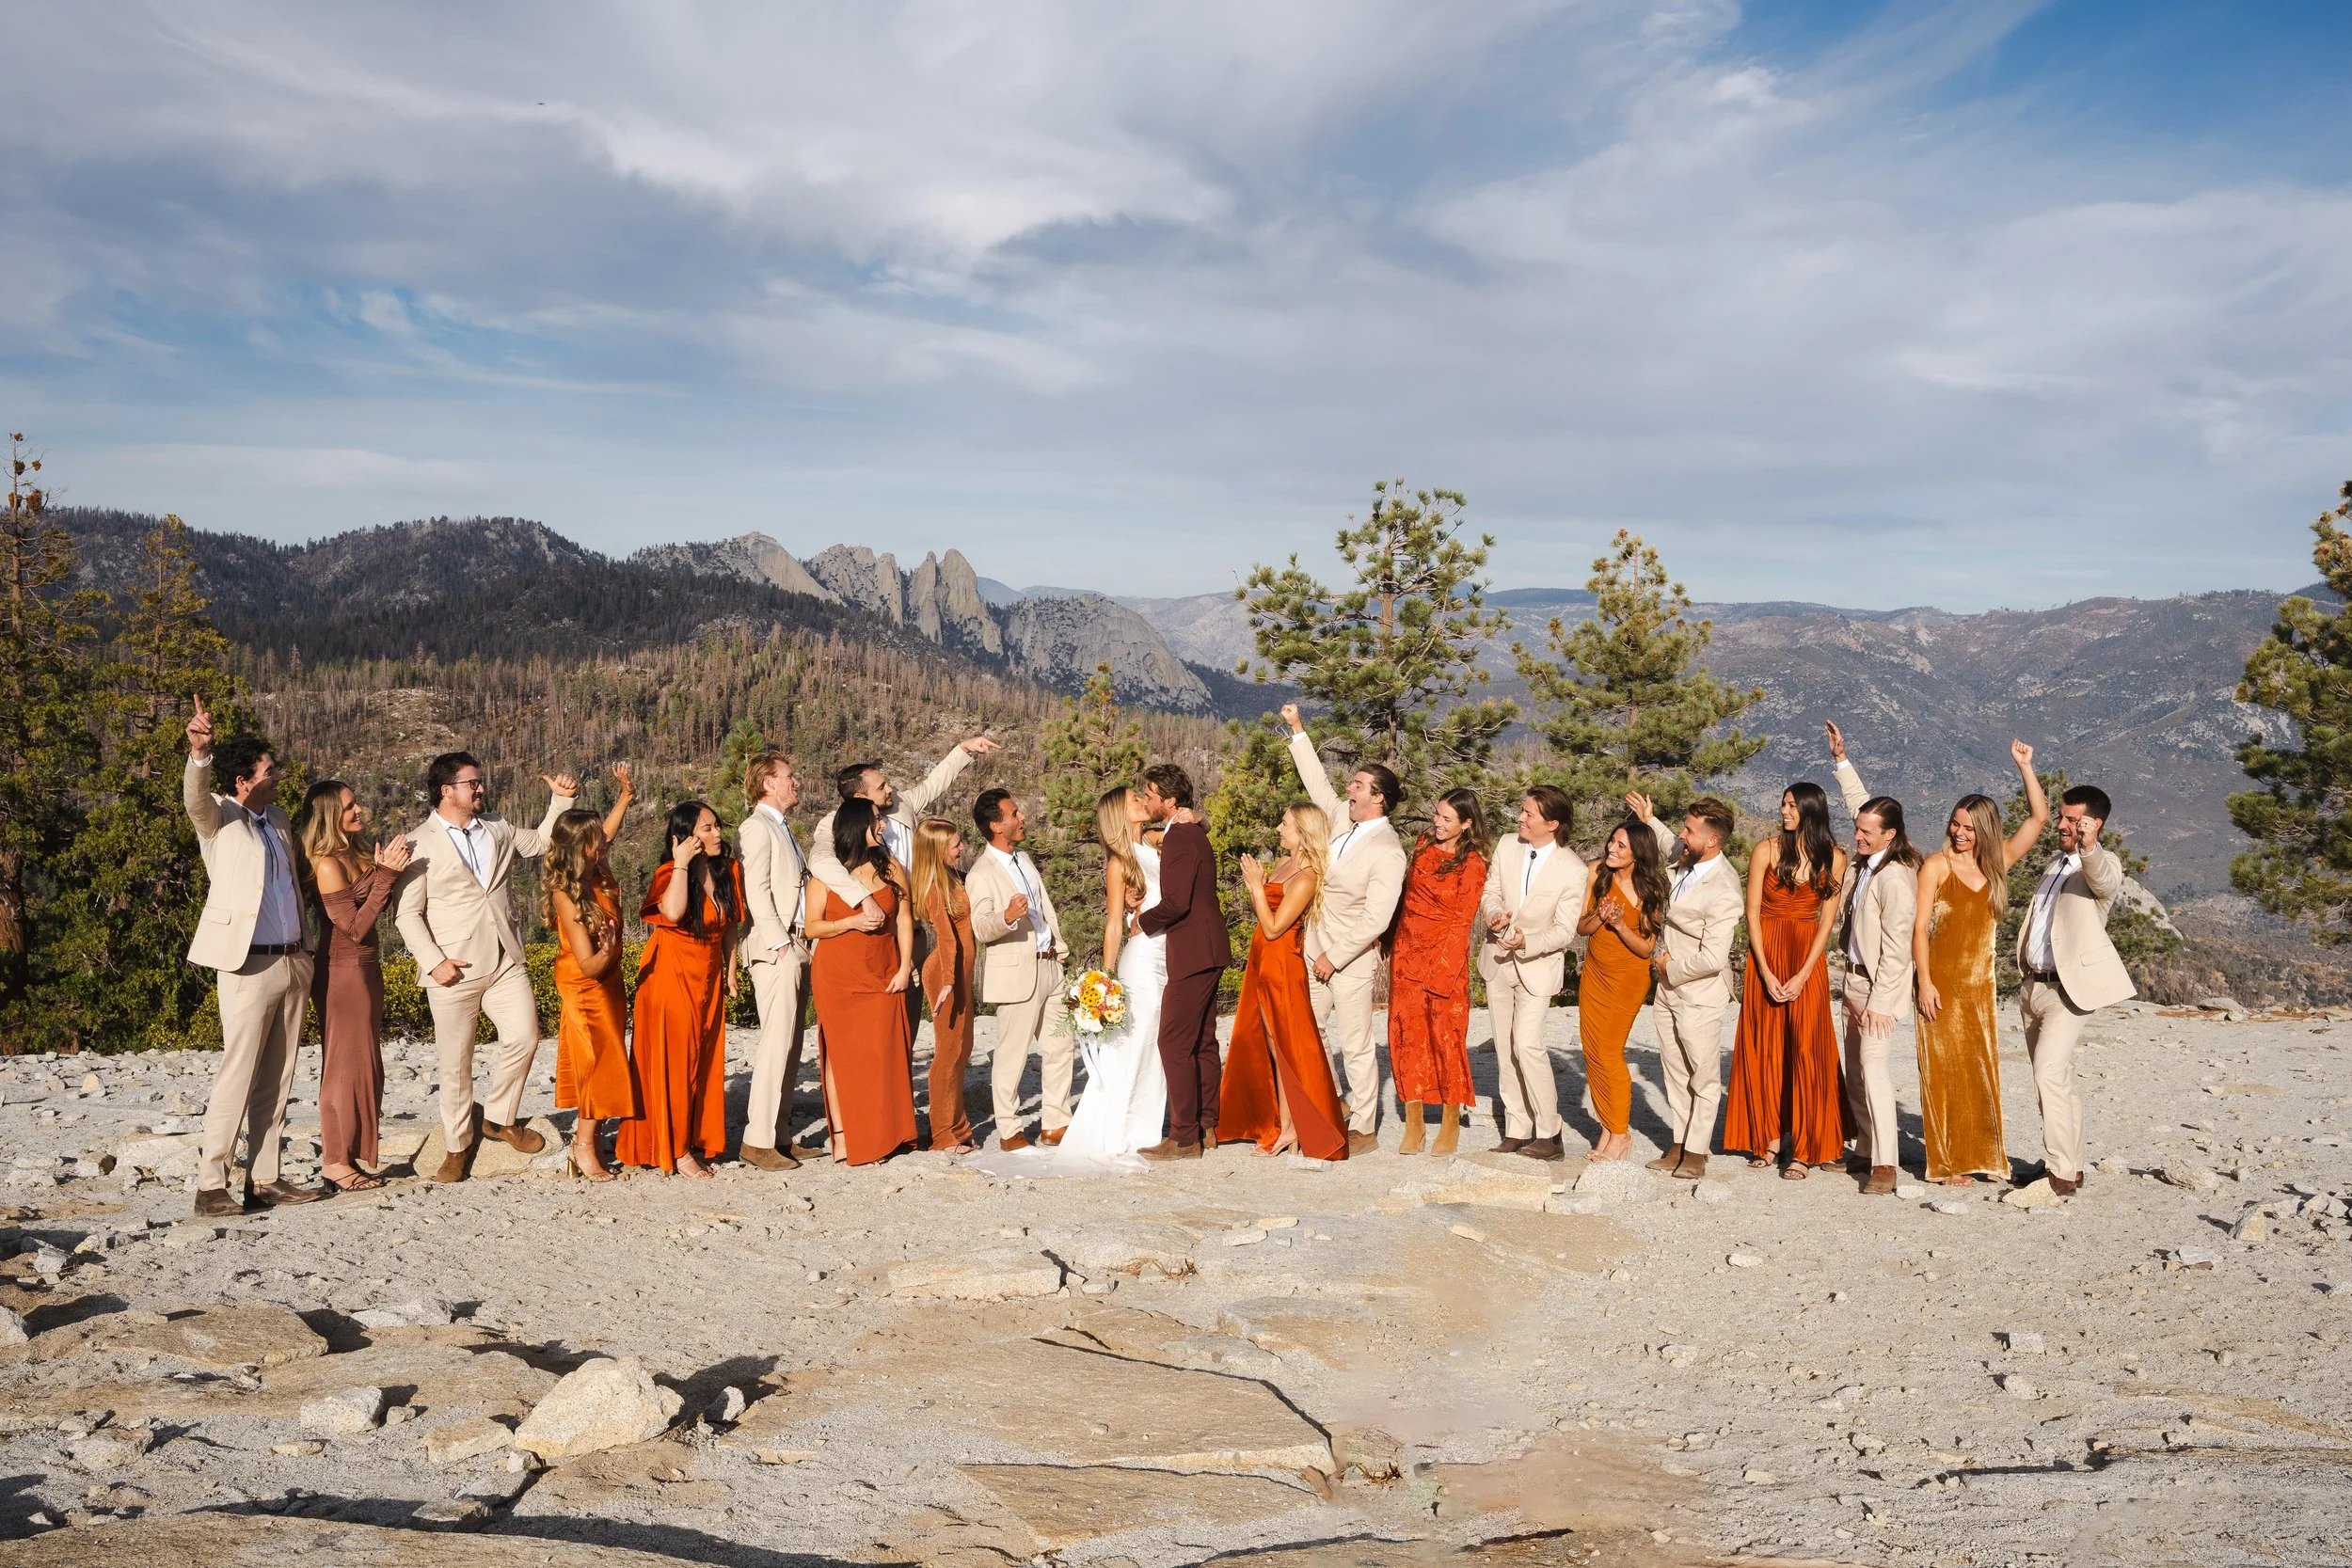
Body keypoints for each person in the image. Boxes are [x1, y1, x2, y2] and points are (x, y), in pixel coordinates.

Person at [393, 750, 576, 1182]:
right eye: (471, 783)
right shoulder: (417, 843)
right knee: (455, 1063)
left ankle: (498, 1117)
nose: (480, 788)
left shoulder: (497, 826)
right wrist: (434, 962)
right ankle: (457, 1148)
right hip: (452, 968)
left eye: (478, 782)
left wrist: (560, 803)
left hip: (505, 958)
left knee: (525, 1036)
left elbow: (543, 842)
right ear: (446, 791)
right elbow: (406, 914)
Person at [181, 698, 322, 1215]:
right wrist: (200, 752)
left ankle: (265, 1178)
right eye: (269, 770)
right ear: (243, 781)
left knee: (280, 1075)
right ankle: (210, 1184)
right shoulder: (219, 818)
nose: (278, 776)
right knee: (237, 1072)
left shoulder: (279, 818)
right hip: (246, 964)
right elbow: (195, 797)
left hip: (292, 959)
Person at [1913, 744, 2049, 1185]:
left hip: (1980, 989)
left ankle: (1983, 1156)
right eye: (1955, 824)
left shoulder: (1997, 865)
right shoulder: (1935, 866)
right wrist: (1925, 983)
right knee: (1943, 1072)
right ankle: (1947, 1163)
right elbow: (1919, 931)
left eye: (1968, 827)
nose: (1958, 833)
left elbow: (2038, 819)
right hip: (1942, 985)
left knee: (1980, 1071)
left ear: (1985, 830)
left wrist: (2025, 768)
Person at [807, 736, 1003, 1041]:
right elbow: (819, 861)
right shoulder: (834, 824)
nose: (890, 789)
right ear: (860, 798)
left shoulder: (900, 806)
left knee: (907, 1012)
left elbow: (933, 783)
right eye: (882, 787)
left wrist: (963, 749)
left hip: (912, 929)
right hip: (871, 934)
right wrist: (863, 899)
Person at [1278, 704, 1407, 1154]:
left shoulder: (1389, 851)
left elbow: (1377, 918)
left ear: (1380, 799)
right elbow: (1316, 781)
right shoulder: (1339, 823)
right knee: (1309, 1032)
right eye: (1350, 784)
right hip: (1315, 950)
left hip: (1350, 961)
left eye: (1358, 786)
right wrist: (1298, 730)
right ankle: (1333, 1099)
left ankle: (1366, 1125)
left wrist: (1337, 956)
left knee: (1355, 1043)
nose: (1348, 790)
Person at [2013, 778, 2137, 1196]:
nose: (2062, 825)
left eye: (2072, 820)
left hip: (2068, 992)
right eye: (2063, 817)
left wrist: (2089, 848)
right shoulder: (2055, 863)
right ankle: (2070, 1164)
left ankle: (2061, 1173)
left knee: (2047, 1074)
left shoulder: (2103, 863)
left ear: (2094, 825)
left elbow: (2102, 879)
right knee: (2058, 1078)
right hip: (2033, 986)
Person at [295, 778, 414, 1194]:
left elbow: (377, 900)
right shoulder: (327, 862)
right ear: (330, 814)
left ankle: (349, 1155)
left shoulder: (355, 851)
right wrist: (384, 876)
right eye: (349, 807)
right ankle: (334, 1162)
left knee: (364, 1064)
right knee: (343, 1069)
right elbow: (355, 928)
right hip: (343, 971)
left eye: (357, 803)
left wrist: (387, 872)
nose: (359, 810)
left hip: (367, 970)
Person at [1726, 783, 1850, 1178]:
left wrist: (1803, 973)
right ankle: (1768, 1138)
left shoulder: (1835, 857)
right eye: (1783, 804)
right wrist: (1764, 970)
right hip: (1766, 953)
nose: (1784, 811)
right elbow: (1751, 913)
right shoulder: (1766, 849)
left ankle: (1807, 1146)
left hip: (1806, 958)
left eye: (1792, 805)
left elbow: (1826, 922)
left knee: (1807, 1049)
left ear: (1811, 811)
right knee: (1766, 1046)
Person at [615, 800, 743, 1178]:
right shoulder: (671, 872)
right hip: (669, 975)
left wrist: (732, 970)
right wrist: (683, 864)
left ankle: (691, 1136)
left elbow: (731, 922)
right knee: (673, 1059)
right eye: (706, 828)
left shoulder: (728, 870)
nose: (717, 833)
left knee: (703, 1058)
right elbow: (671, 914)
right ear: (685, 837)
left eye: (717, 826)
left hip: (708, 975)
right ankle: (676, 1148)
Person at [1825, 721, 1922, 1196]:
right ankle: (1863, 1148)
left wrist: (1883, 1003)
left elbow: (1899, 948)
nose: (1857, 836)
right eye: (1858, 829)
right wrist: (1842, 760)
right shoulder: (1869, 859)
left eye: (1866, 831)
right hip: (1853, 980)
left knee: (1877, 1071)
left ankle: (1886, 1164)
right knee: (1857, 1071)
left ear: (1890, 835)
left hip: (1879, 988)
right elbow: (1858, 804)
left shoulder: (1897, 878)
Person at [1218, 803, 1346, 1160]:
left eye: (1285, 823)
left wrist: (1257, 888)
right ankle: (1284, 1124)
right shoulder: (1284, 864)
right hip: (1262, 956)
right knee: (1272, 1044)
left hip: (1281, 960)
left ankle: (1294, 1127)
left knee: (1287, 1043)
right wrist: (1256, 887)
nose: (1278, 827)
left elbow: (1275, 927)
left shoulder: (1305, 876)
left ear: (1303, 831)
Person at [1632, 794, 1744, 1180]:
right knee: (1674, 1068)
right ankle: (1679, 1141)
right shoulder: (1687, 857)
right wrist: (1650, 819)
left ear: (1711, 840)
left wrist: (1670, 967)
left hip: (1698, 992)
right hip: (1666, 989)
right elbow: (1668, 841)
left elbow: (1714, 958)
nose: (1682, 835)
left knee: (1703, 1074)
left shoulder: (1725, 888)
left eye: (1689, 830)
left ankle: (1697, 1151)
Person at [1477, 785, 1589, 1161]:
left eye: (1528, 814)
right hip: (1496, 960)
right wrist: (1493, 914)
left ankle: (1550, 1131)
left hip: (1537, 967)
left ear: (1552, 823)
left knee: (1527, 1044)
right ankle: (1517, 1128)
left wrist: (1527, 940)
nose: (1519, 818)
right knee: (1505, 1048)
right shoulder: (1508, 844)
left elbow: (1564, 930)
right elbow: (1490, 890)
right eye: (1521, 811)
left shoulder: (1573, 870)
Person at [805, 798, 920, 1164]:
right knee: (842, 1056)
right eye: (877, 821)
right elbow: (812, 927)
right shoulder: (827, 873)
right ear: (858, 825)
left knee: (884, 1051)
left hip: (884, 969)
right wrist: (851, 922)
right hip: (838, 974)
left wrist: (905, 968)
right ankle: (842, 1137)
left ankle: (888, 1133)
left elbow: (905, 919)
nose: (884, 826)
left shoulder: (891, 867)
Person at [543, 765, 639, 1183]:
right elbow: (589, 964)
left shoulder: (595, 870)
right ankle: (584, 1146)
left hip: (609, 975)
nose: (604, 846)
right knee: (598, 1060)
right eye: (596, 843)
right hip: (587, 981)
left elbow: (610, 832)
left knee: (606, 1052)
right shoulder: (566, 894)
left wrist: (625, 797)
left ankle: (592, 1138)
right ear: (579, 849)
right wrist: (613, 941)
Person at [966, 788, 1075, 1150]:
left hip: (1050, 965)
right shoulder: (981, 873)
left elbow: (1045, 911)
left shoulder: (1024, 858)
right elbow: (981, 927)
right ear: (997, 825)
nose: (1022, 817)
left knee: (1061, 1048)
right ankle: (1010, 1130)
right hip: (1016, 974)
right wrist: (1006, 917)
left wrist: (1059, 954)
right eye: (1015, 814)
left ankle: (1055, 1124)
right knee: (1012, 1056)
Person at [1386, 788, 1489, 1157]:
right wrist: (1389, 938)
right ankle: (1414, 1123)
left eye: (1447, 819)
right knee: (1406, 1036)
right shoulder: (1422, 843)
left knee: (1446, 1039)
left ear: (1466, 824)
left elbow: (1462, 923)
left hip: (1445, 959)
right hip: (1406, 955)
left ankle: (1449, 1121)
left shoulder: (1474, 864)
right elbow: (1404, 895)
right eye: (1437, 815)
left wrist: (1441, 975)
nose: (1438, 823)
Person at [1137, 763, 1233, 1160]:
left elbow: (1176, 903)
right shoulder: (1190, 831)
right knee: (1203, 1041)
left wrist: (1141, 922)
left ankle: (1183, 1137)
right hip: (1211, 947)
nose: (1146, 800)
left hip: (1192, 950)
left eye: (1150, 794)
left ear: (1170, 801)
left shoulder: (1179, 838)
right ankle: (1208, 1125)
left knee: (1173, 1041)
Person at [1574, 816, 1670, 1163]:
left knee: (1610, 1052)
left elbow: (1646, 948)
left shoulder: (1650, 890)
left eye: (1621, 846)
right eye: (1612, 841)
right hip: (1595, 975)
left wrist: (1618, 924)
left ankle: (1620, 1135)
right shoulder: (1597, 874)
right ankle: (1607, 1126)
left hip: (1627, 979)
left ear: (1637, 854)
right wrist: (1601, 917)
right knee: (1591, 1051)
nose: (1612, 849)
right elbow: (1581, 928)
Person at [739, 750, 816, 1170]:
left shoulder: (782, 828)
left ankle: (780, 1134)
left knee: (790, 1045)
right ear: (768, 783)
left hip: (797, 945)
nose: (796, 782)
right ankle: (757, 1139)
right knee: (775, 1043)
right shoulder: (755, 828)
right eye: (790, 776)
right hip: (777, 949)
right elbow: (757, 890)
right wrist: (780, 944)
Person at [911, 816, 978, 1153]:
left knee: (962, 1051)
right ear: (938, 850)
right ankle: (942, 1135)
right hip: (944, 974)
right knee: (948, 1054)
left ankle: (960, 1128)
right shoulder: (935, 888)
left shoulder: (951, 879)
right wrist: (949, 983)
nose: (962, 848)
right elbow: (948, 939)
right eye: (956, 845)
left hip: (959, 975)